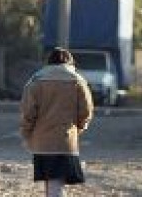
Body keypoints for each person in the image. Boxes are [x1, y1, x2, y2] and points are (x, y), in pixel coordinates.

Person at [20, 47, 94, 197]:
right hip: (66, 142)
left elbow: (28, 113)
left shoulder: (36, 81)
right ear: (70, 62)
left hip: (42, 143)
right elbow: (86, 111)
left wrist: (27, 135)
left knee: (51, 183)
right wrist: (78, 129)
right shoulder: (78, 81)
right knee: (57, 184)